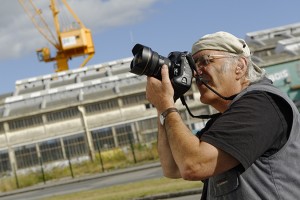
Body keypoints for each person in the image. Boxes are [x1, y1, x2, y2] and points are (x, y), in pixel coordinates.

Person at [146, 31, 300, 199]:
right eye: (193, 65)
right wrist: (162, 106)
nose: (196, 72)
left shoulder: (262, 105)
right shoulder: (225, 119)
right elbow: (173, 167)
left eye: (205, 61)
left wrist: (167, 105)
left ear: (240, 66)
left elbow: (193, 165)